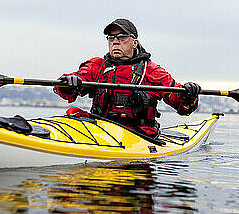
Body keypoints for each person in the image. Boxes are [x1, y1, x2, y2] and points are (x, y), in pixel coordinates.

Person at [54, 18, 201, 137]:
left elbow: (183, 107)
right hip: (100, 130)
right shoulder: (97, 66)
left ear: (134, 42)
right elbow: (63, 88)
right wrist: (68, 83)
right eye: (111, 38)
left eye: (122, 37)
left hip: (139, 136)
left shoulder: (151, 71)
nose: (115, 41)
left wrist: (189, 94)